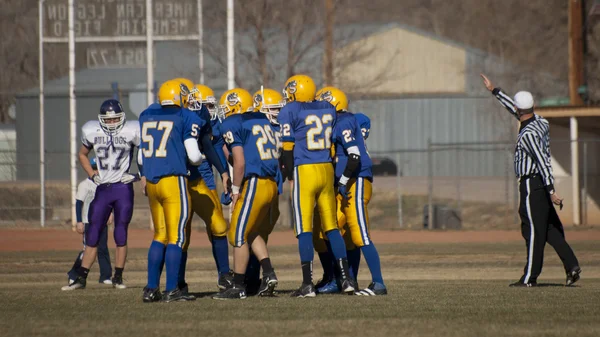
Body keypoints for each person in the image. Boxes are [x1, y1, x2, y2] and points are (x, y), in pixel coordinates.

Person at [481, 74, 581, 287]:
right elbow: (518, 110)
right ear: (533, 105)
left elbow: (543, 162)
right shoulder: (541, 122)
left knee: (532, 231)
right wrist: (495, 91)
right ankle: (572, 265)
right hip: (539, 186)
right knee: (549, 230)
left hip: (532, 185)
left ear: (518, 109)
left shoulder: (528, 135)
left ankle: (529, 278)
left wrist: (551, 190)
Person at [278, 74, 354, 297]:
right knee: (331, 227)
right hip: (326, 168)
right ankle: (346, 280)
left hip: (306, 170)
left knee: (304, 229)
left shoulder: (290, 111)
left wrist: (290, 175)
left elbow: (288, 149)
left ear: (297, 90)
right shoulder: (328, 107)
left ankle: (307, 284)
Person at [62, 99, 140, 291]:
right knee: (93, 234)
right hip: (103, 188)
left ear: (122, 118)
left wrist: (139, 175)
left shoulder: (132, 130)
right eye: (109, 119)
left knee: (120, 234)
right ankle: (80, 278)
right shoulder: (91, 130)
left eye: (115, 119)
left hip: (122, 187)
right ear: (101, 119)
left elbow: (145, 152)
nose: (112, 123)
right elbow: (82, 154)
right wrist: (92, 174)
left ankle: (118, 277)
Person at [139, 79, 205, 302]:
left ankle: (150, 289)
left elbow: (140, 157)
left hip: (152, 182)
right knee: (176, 237)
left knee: (159, 235)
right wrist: (203, 158)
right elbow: (194, 156)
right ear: (179, 97)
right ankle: (172, 290)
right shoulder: (184, 116)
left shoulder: (147, 114)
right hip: (173, 181)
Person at [212, 88, 280, 300]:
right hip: (270, 184)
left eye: (226, 108)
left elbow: (239, 163)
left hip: (254, 183)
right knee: (250, 231)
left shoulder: (233, 123)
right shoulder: (262, 120)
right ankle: (268, 274)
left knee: (237, 234)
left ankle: (238, 286)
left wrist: (234, 190)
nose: (223, 112)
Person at [178, 81, 233, 292]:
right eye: (206, 105)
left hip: (204, 179)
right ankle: (177, 281)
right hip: (181, 180)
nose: (209, 110)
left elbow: (211, 146)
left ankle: (224, 275)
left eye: (211, 106)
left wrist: (224, 172)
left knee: (218, 227)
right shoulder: (177, 117)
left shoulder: (204, 118)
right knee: (182, 233)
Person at [66, 157, 112, 285]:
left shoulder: (104, 184)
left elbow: (108, 201)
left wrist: (110, 214)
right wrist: (79, 221)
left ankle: (105, 276)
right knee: (88, 250)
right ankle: (74, 273)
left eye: (99, 168)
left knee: (103, 248)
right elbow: (79, 204)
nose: (96, 171)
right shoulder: (84, 185)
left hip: (102, 221)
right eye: (94, 168)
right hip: (88, 221)